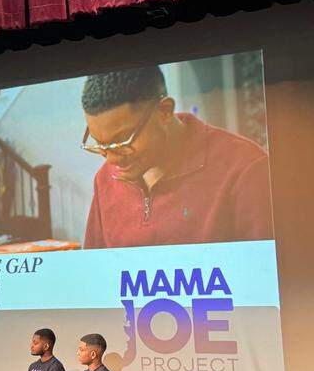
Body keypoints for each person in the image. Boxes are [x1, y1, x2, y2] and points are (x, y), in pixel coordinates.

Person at [80, 66, 274, 248]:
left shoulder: (245, 168)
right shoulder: (105, 178)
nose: (111, 160)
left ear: (165, 111)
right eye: (101, 144)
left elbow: (266, 275)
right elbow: (98, 273)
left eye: (123, 140)